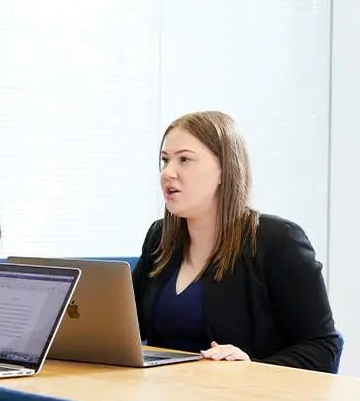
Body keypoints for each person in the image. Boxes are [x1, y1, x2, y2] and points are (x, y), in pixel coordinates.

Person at [131, 111, 339, 373]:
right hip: (163, 397)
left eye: (184, 159)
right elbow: (123, 328)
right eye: (164, 160)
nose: (167, 173)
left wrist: (252, 367)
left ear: (224, 169)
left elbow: (322, 347)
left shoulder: (278, 241)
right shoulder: (160, 238)